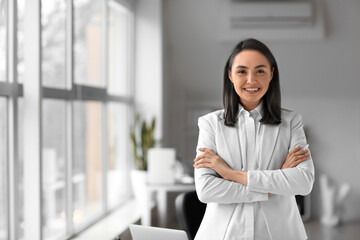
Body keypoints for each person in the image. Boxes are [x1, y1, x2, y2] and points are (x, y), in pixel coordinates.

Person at [193, 38, 315, 240]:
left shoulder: (292, 121)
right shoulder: (210, 124)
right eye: (242, 71)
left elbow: (303, 182)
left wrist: (229, 173)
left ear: (271, 74)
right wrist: (274, 183)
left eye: (260, 71)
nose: (251, 80)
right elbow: (206, 190)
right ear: (230, 75)